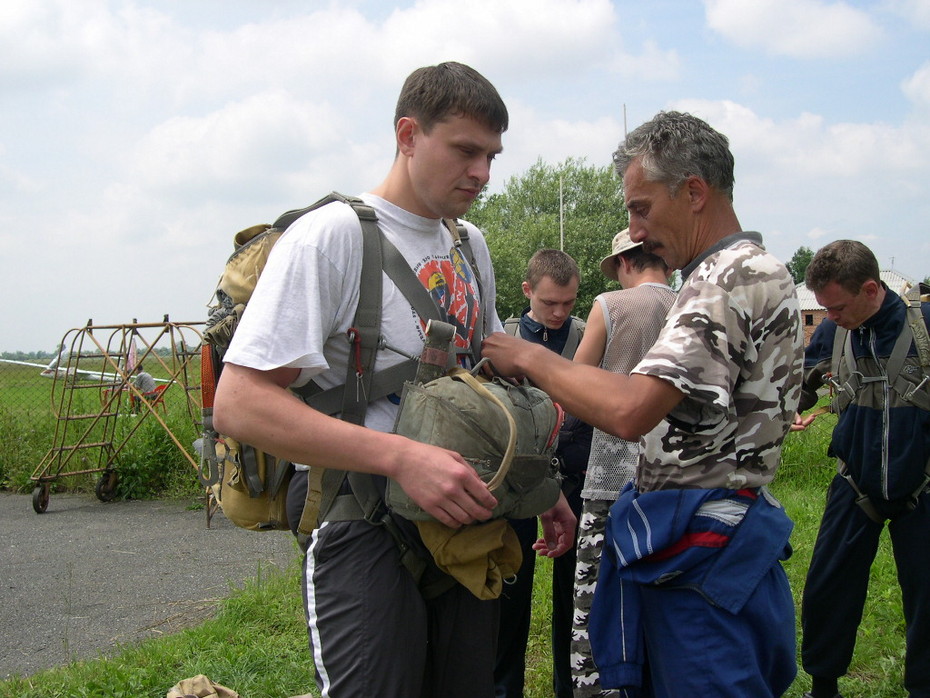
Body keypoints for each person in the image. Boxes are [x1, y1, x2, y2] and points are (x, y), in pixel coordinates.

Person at [212, 62, 576, 698]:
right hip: (363, 516)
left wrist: (538, 485)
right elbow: (239, 404)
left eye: (491, 156)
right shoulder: (333, 237)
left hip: (465, 520)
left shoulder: (470, 246)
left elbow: (483, 381)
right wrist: (403, 458)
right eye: (465, 150)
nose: (483, 173)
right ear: (408, 135)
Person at [481, 110, 803, 697]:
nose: (634, 230)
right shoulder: (730, 274)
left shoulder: (728, 277)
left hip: (704, 560)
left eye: (641, 208)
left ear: (694, 192)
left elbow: (632, 409)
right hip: (709, 548)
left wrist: (529, 357)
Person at [793, 240, 930, 698]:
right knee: (828, 587)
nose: (830, 317)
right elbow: (805, 383)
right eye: (824, 309)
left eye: (837, 307)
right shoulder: (835, 334)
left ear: (870, 289)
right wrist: (790, 407)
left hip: (924, 483)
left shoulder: (925, 327)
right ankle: (823, 686)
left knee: (927, 594)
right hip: (855, 483)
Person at [569, 228, 674, 698]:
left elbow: (575, 384)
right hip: (675, 483)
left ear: (625, 263)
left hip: (611, 479)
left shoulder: (609, 305)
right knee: (664, 600)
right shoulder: (691, 306)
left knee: (598, 606)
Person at [496, 249, 592, 698]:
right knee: (508, 598)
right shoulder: (503, 339)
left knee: (575, 599)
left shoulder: (589, 336)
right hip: (513, 485)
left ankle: (569, 688)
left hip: (574, 482)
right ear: (527, 291)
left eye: (568, 303)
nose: (558, 313)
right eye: (549, 302)